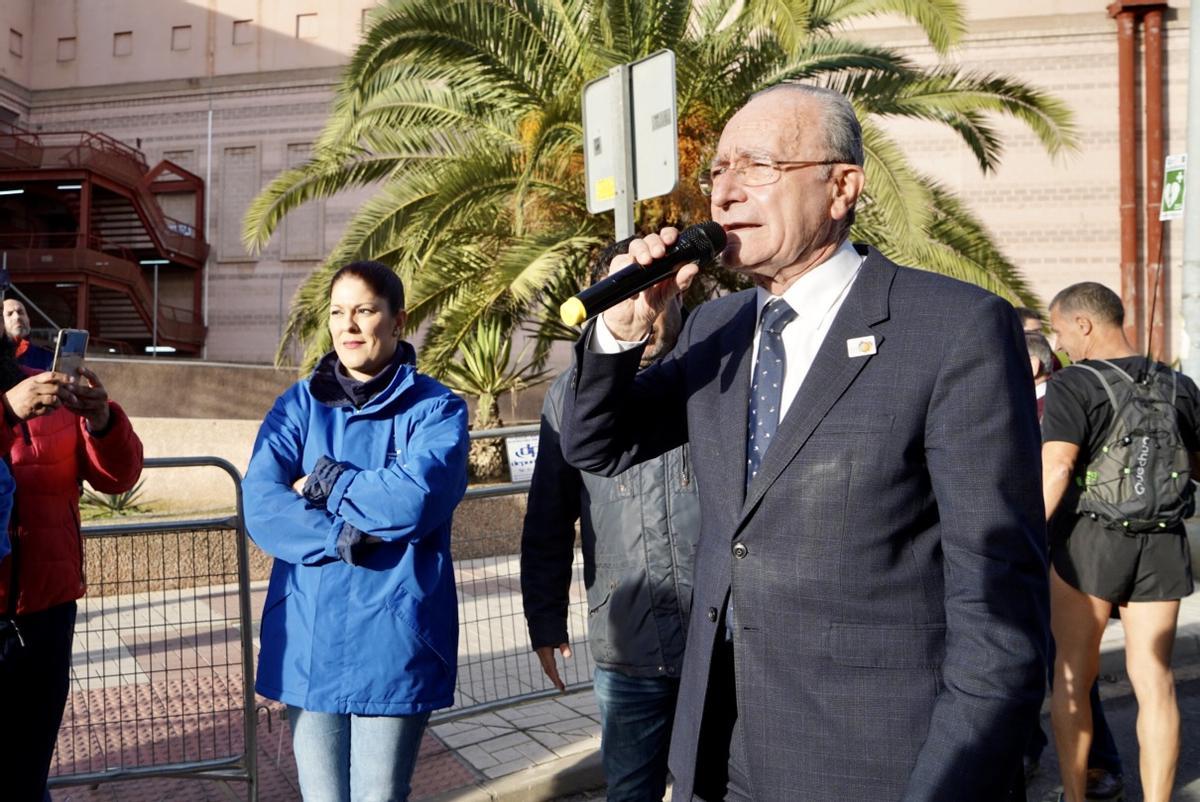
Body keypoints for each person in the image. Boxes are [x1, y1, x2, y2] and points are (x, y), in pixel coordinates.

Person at [559, 82, 1048, 801]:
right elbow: (598, 444)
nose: (723, 194)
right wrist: (619, 334)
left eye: (755, 166)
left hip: (875, 765)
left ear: (841, 186)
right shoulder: (715, 328)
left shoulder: (952, 330)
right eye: (716, 172)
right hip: (723, 758)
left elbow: (999, 605)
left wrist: (951, 783)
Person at [243, 261, 468, 802]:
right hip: (309, 635)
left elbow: (413, 500)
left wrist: (325, 479)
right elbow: (262, 503)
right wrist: (343, 536)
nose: (348, 326)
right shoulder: (296, 405)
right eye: (338, 313)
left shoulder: (437, 408)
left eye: (364, 311)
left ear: (397, 320)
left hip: (396, 638)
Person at [521, 253, 698, 801]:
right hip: (629, 644)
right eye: (618, 299)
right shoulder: (568, 398)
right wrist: (545, 621)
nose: (639, 313)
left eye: (650, 295)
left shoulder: (711, 373)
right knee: (629, 791)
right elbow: (549, 517)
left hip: (715, 639)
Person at [1043, 282, 1198, 802]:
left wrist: (1018, 539)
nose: (1060, 343)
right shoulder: (1180, 385)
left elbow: (1059, 466)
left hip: (1088, 543)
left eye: (1060, 330)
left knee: (1072, 678)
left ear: (1084, 324)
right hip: (1162, 543)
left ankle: (1074, 795)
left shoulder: (1074, 384)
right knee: (1154, 680)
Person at [0, 339, 144, 801]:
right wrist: (4, 413)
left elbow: (118, 476)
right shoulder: (15, 401)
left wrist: (102, 422)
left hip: (47, 613)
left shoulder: (44, 386)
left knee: (28, 773)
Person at [1021, 328, 1124, 799]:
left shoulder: (1056, 402)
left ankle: (1096, 769)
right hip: (1047, 549)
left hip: (1051, 549)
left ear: (1035, 365)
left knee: (1066, 667)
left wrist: (1022, 533)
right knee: (1046, 662)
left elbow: (1058, 471)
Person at [3, 298, 52, 372]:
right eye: (9, 314)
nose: (17, 317)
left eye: (20, 312)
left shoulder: (48, 356)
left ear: (28, 320)